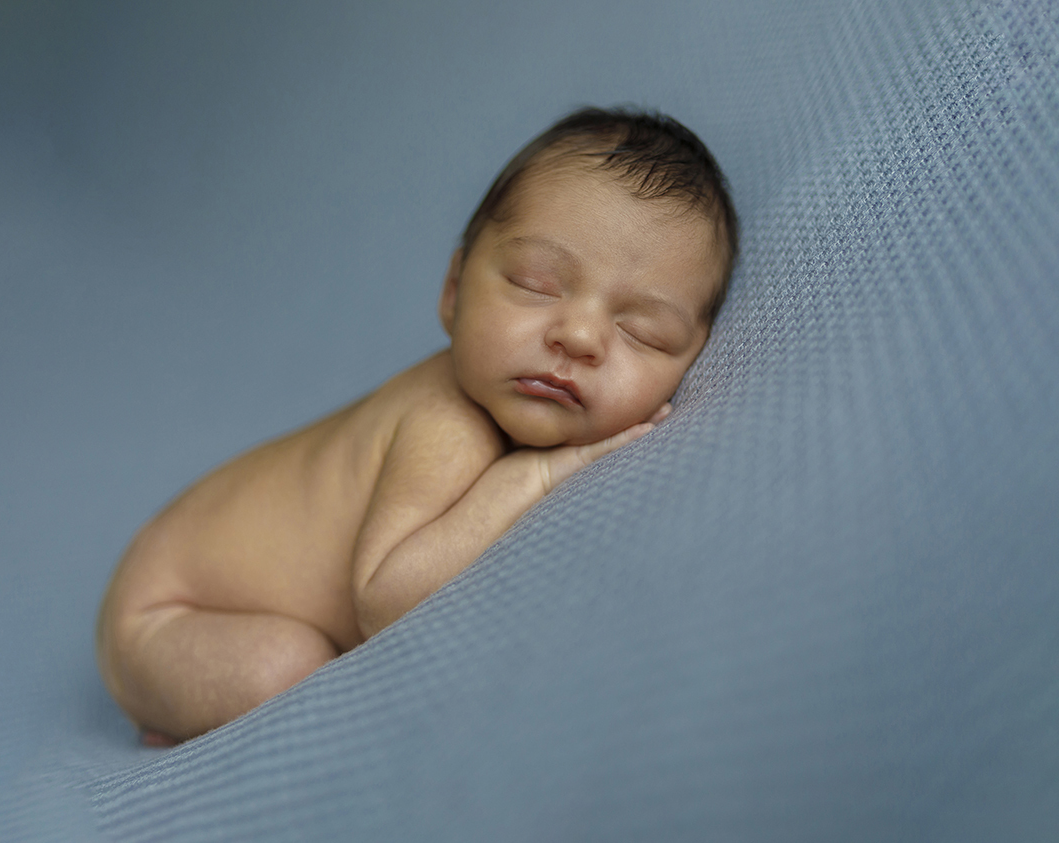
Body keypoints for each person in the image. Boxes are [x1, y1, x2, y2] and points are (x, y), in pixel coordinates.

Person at [96, 106, 739, 745]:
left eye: (643, 332)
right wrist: (533, 478)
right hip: (163, 615)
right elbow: (382, 602)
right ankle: (175, 713)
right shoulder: (448, 423)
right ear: (454, 291)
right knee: (286, 670)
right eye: (536, 284)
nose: (579, 336)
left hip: (187, 595)